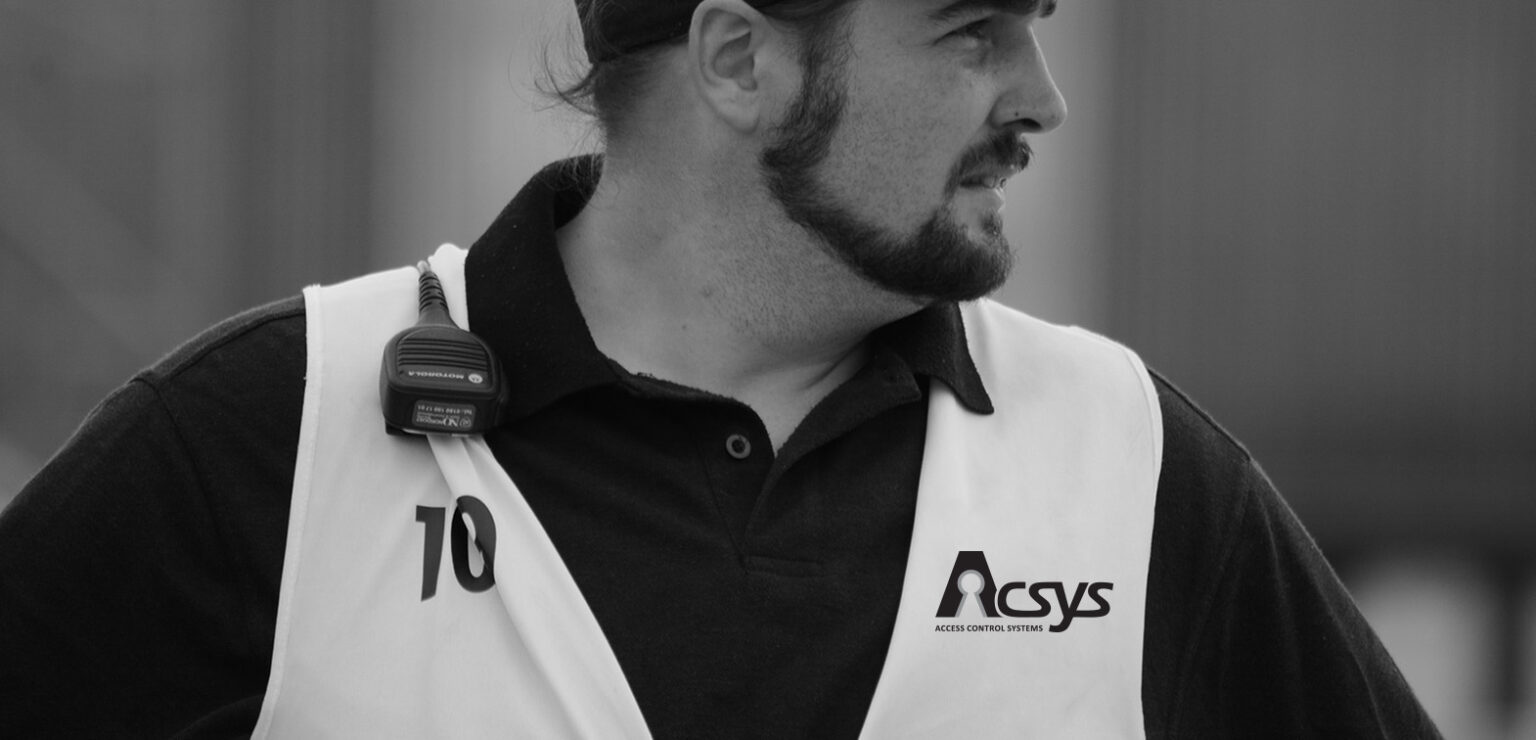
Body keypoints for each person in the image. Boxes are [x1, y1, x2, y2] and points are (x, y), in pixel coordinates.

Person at [0, 0, 1442, 737]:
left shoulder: (1133, 468)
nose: (1041, 99)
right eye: (972, 32)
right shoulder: (261, 442)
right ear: (741, 59)